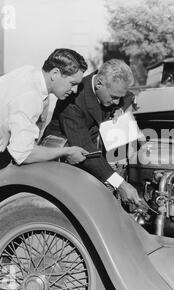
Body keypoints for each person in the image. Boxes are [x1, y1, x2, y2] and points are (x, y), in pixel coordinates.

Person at [0, 48, 89, 196]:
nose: (75, 90)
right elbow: (23, 154)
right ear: (55, 73)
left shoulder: (31, 73)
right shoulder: (30, 96)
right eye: (72, 83)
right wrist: (67, 151)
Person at [43, 59, 142, 205]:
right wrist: (119, 184)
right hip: (64, 160)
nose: (116, 101)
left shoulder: (111, 90)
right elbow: (85, 149)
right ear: (99, 83)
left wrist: (120, 109)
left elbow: (128, 96)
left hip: (95, 154)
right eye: (114, 97)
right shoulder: (72, 100)